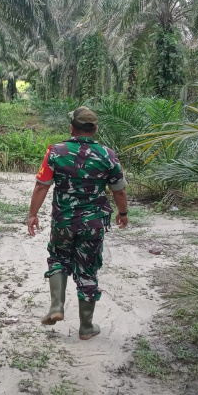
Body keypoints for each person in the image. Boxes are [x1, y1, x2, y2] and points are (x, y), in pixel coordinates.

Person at [27, 106, 129, 340]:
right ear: (94, 129)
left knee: (58, 259)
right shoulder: (108, 155)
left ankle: (56, 306)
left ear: (72, 127)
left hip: (63, 222)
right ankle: (86, 327)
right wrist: (122, 213)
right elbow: (119, 190)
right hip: (93, 224)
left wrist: (32, 214)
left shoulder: (56, 151)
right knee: (88, 270)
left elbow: (42, 185)